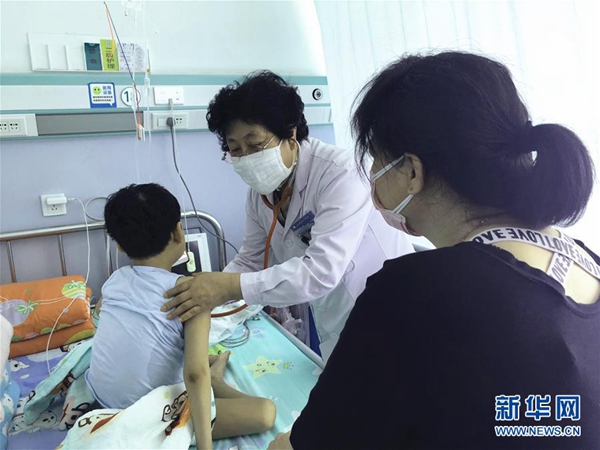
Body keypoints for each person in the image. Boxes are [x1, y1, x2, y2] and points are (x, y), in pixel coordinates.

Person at [268, 51, 600, 449]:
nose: (371, 175)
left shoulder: (415, 291)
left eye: (376, 158)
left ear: (412, 171)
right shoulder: (589, 264)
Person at [162, 71, 414, 361]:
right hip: (337, 320)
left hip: (388, 311)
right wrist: (204, 292)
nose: (246, 158)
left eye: (255, 145)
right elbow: (251, 260)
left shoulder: (340, 172)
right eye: (235, 150)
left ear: (290, 134)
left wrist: (226, 287)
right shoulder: (260, 195)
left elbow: (321, 271)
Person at [86, 183, 275, 450]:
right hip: (149, 417)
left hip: (101, 403)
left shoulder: (114, 281)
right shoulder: (192, 291)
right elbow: (195, 374)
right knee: (266, 412)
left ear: (119, 246)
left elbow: (110, 324)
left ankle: (214, 381)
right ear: (178, 232)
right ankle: (215, 382)